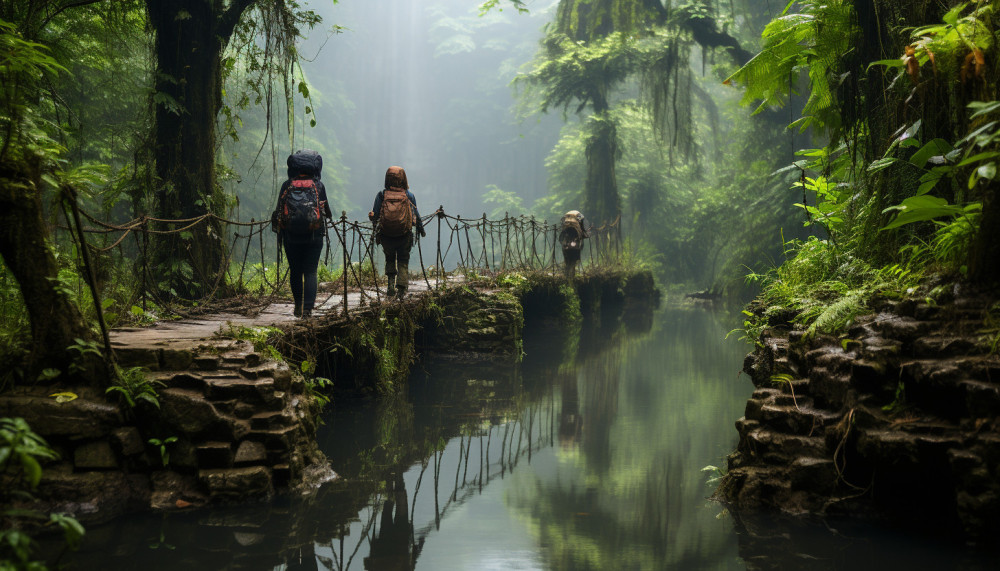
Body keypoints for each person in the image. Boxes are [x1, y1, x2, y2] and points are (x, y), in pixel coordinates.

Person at [272, 149, 332, 318]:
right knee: (311, 271)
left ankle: (298, 305)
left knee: (296, 271)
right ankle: (307, 310)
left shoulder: (287, 185)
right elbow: (327, 211)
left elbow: (278, 211)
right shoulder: (319, 186)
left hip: (290, 236)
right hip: (314, 235)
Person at [368, 166, 426, 299]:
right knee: (403, 260)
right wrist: (421, 229)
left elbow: (376, 215)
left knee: (390, 258)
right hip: (404, 235)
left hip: (386, 235)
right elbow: (416, 214)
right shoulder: (408, 195)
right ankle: (401, 288)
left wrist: (373, 219)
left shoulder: (382, 195)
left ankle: (390, 286)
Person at [559, 210, 589, 280]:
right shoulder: (578, 216)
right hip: (570, 243)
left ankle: (569, 274)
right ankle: (569, 274)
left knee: (570, 261)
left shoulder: (567, 218)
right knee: (570, 261)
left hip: (571, 243)